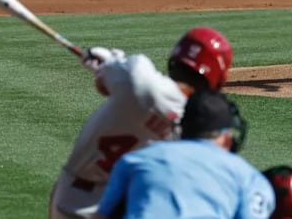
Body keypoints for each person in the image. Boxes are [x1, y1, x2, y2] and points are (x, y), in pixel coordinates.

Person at [48, 26, 233, 219]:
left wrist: (107, 64)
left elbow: (103, 85)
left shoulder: (138, 77)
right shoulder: (199, 122)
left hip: (68, 196)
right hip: (125, 206)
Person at [91, 90, 275, 219]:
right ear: (226, 136)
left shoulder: (135, 160)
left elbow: (101, 216)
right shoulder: (246, 175)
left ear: (181, 129)